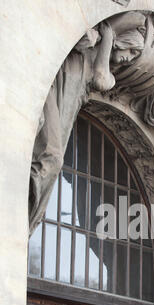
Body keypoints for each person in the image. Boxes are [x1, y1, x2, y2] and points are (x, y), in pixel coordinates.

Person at [29, 12, 146, 235]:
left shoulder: (102, 64)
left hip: (65, 101)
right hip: (51, 90)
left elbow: (102, 78)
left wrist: (107, 39)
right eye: (131, 49)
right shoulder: (88, 43)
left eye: (135, 55)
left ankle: (26, 219)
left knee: (52, 161)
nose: (130, 58)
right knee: (50, 159)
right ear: (122, 40)